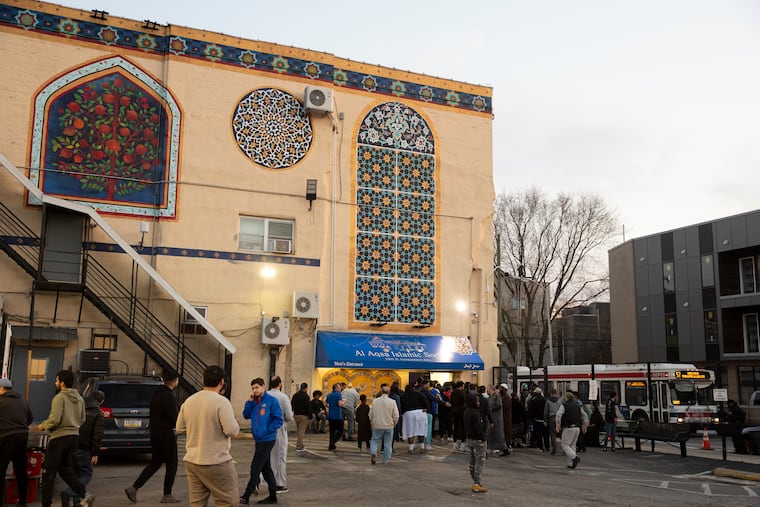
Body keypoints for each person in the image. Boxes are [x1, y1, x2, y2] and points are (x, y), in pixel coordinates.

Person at [176, 365, 240, 507]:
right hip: (217, 460)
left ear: (203, 380)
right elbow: (232, 430)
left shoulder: (189, 401)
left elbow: (180, 428)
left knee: (197, 503)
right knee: (228, 502)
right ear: (222, 382)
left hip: (193, 460)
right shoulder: (222, 402)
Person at [38, 370, 95, 507]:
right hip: (74, 438)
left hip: (58, 438)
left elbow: (55, 419)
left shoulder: (59, 398)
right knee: (64, 469)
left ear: (62, 383)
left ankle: (46, 504)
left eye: (57, 380)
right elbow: (82, 419)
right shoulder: (80, 398)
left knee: (48, 472)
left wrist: (42, 426)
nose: (55, 383)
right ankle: (84, 494)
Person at [125, 372, 181, 504]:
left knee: (156, 463)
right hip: (166, 433)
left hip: (155, 432)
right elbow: (174, 417)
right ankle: (167, 493)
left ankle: (134, 487)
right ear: (174, 381)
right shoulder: (168, 396)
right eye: (177, 381)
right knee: (172, 463)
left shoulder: (156, 394)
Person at [240, 377, 284, 505]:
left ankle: (246, 495)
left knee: (255, 467)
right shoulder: (253, 402)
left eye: (257, 387)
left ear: (263, 387)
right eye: (253, 388)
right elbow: (246, 415)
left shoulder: (272, 401)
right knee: (266, 468)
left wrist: (268, 430)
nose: (255, 390)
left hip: (267, 439)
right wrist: (249, 402)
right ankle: (273, 496)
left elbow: (278, 420)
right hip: (258, 439)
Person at [65, 390, 104, 507]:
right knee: (87, 474)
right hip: (84, 448)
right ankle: (69, 493)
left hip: (71, 445)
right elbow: (97, 435)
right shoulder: (97, 413)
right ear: (101, 402)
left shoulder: (78, 407)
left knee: (76, 475)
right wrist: (95, 453)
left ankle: (77, 503)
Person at [0, 377, 33, 507]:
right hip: (22, 437)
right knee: (20, 470)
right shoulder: (22, 400)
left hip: (6, 437)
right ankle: (23, 502)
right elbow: (30, 418)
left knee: (0, 470)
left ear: (2, 388)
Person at [267, 375, 293, 494]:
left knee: (266, 456)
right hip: (279, 428)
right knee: (280, 456)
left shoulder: (265, 395)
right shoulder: (283, 397)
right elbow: (288, 416)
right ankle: (279, 483)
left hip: (265, 428)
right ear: (280, 384)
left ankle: (259, 479)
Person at [555, 392, 589, 469]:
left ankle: (574, 458)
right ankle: (570, 463)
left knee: (565, 445)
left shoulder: (564, 405)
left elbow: (558, 414)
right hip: (577, 428)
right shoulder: (578, 405)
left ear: (566, 397)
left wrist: (557, 424)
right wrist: (585, 426)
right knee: (572, 446)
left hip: (569, 427)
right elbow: (585, 415)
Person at [369, 384, 400, 465]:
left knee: (375, 440)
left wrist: (372, 422)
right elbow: (396, 415)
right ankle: (386, 460)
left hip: (377, 425)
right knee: (388, 443)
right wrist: (394, 423)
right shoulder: (392, 402)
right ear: (388, 392)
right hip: (389, 425)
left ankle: (373, 452)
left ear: (381, 391)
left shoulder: (375, 401)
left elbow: (370, 414)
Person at [463, 393, 488, 493]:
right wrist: (483, 438)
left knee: (472, 461)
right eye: (477, 401)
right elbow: (478, 427)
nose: (478, 402)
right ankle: (477, 483)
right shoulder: (475, 413)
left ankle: (475, 481)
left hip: (469, 438)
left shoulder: (466, 412)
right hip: (478, 440)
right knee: (480, 461)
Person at [400, 384, 428, 454]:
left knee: (410, 431)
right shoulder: (419, 394)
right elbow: (426, 402)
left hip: (409, 413)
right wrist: (426, 408)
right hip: (421, 412)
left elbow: (401, 406)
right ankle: (422, 447)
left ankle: (411, 449)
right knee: (421, 431)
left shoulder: (403, 396)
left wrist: (402, 413)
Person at [486, 385, 508, 456]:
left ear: (491, 389)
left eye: (488, 389)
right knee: (491, 434)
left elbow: (499, 405)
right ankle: (490, 449)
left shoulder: (496, 396)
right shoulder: (490, 397)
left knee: (498, 434)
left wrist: (492, 409)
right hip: (491, 418)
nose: (487, 390)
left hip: (496, 418)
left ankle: (504, 449)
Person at [291, 382, 311, 450]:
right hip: (303, 415)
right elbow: (308, 406)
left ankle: (301, 444)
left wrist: (292, 412)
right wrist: (310, 415)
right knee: (301, 431)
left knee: (299, 431)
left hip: (296, 414)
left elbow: (292, 404)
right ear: (306, 388)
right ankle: (299, 446)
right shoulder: (306, 396)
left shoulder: (295, 395)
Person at [325, 383, 345, 450]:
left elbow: (326, 404)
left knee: (332, 432)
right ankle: (333, 442)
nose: (340, 388)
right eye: (339, 387)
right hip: (337, 416)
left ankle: (331, 446)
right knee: (340, 431)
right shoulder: (338, 394)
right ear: (336, 388)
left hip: (330, 415)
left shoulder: (329, 395)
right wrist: (344, 402)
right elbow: (339, 404)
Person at [543, 389, 561, 455]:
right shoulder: (560, 400)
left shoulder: (548, 401)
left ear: (551, 393)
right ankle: (565, 449)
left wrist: (545, 420)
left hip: (551, 418)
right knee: (561, 433)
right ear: (556, 393)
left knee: (553, 434)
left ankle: (554, 450)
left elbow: (546, 412)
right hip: (559, 417)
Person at [450, 381, 467, 452]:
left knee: (456, 427)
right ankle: (462, 446)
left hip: (454, 412)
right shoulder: (462, 393)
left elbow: (451, 401)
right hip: (461, 412)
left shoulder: (453, 393)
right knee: (463, 428)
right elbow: (465, 402)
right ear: (461, 386)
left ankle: (455, 445)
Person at [499, 384, 513, 452]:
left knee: (506, 432)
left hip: (506, 418)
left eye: (501, 388)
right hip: (504, 418)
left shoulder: (506, 398)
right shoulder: (504, 397)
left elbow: (504, 407)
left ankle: (507, 446)